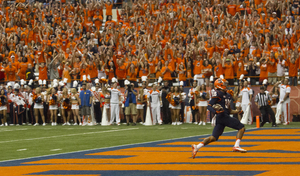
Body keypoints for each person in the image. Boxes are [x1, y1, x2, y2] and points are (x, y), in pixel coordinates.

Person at [191, 78, 246, 159]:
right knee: (241, 127)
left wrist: (238, 111)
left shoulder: (227, 94)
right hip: (222, 116)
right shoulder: (218, 94)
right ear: (220, 85)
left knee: (214, 137)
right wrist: (216, 111)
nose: (226, 85)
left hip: (222, 117)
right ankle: (236, 146)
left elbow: (229, 110)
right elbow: (209, 106)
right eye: (224, 84)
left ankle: (197, 147)